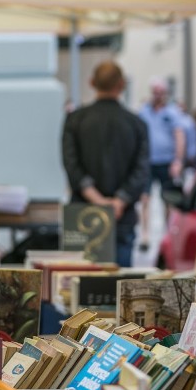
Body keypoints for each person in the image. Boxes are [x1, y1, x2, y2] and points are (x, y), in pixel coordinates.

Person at [61, 61, 149, 267]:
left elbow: (71, 164)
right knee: (120, 284)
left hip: (82, 214)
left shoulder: (75, 120)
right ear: (121, 85)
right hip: (122, 215)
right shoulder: (137, 124)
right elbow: (141, 169)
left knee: (80, 284)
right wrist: (119, 201)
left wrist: (97, 199)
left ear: (92, 82)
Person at [138, 77, 186, 250]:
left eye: (161, 93)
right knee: (144, 198)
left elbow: (179, 136)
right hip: (148, 162)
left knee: (168, 200)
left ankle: (167, 236)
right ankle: (145, 235)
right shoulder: (144, 111)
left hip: (167, 162)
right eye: (155, 92)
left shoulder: (172, 113)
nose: (158, 96)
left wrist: (177, 160)